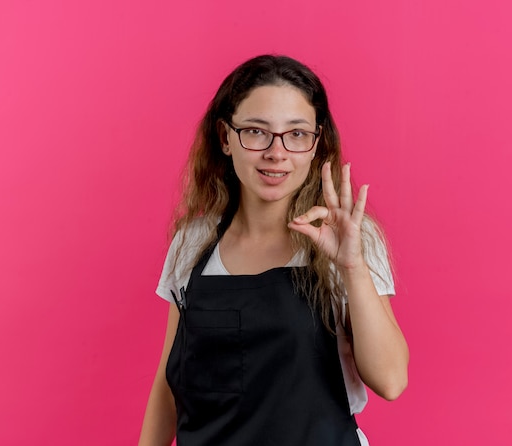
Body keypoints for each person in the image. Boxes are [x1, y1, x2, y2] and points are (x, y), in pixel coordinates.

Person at [138, 54, 409, 446]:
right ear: (225, 138)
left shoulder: (348, 238)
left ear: (317, 144)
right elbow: (169, 385)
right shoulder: (193, 242)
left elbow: (391, 380)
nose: (276, 153)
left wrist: (352, 265)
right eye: (256, 131)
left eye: (296, 134)